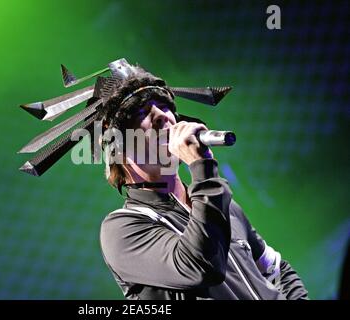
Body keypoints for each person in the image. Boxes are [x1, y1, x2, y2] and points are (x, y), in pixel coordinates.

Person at [98, 68, 309, 300]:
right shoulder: (123, 228)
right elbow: (200, 266)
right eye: (140, 112)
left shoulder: (222, 204)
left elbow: (275, 271)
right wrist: (202, 167)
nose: (162, 115)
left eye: (165, 105)